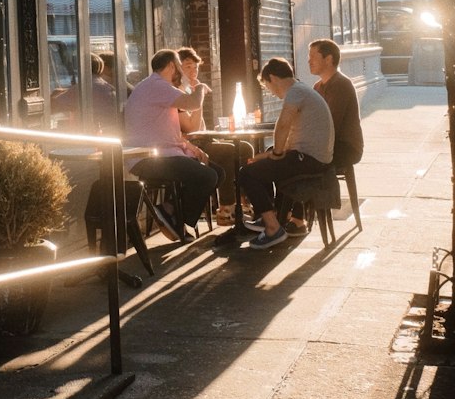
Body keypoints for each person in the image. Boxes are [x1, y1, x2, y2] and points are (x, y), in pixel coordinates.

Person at [236, 57, 334, 249]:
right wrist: (270, 154)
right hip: (313, 157)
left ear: (272, 78)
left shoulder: (295, 92)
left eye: (267, 86)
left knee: (246, 173)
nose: (270, 92)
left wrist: (278, 153)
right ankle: (270, 218)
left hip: (310, 160)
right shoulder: (302, 89)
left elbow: (283, 125)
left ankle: (273, 227)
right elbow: (293, 135)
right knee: (259, 163)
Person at [123, 49, 220, 240]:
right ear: (170, 66)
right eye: (180, 69)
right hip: (148, 157)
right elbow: (192, 103)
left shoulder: (156, 87)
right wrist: (199, 88)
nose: (183, 75)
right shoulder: (157, 85)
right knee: (208, 176)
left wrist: (190, 147)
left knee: (217, 173)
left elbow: (174, 131)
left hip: (162, 153)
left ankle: (169, 211)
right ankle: (175, 218)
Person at [177, 45, 249, 224]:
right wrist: (197, 99)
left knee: (245, 148)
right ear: (177, 68)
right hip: (186, 145)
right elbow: (191, 128)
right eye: (188, 67)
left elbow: (200, 126)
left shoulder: (191, 90)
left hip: (201, 140)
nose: (193, 71)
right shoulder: (177, 93)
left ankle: (243, 203)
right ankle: (226, 208)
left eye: (195, 67)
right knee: (227, 151)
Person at [300, 37, 364, 231]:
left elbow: (329, 125)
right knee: (284, 155)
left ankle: (296, 218)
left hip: (345, 147)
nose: (309, 61)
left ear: (328, 59)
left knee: (298, 160)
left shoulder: (342, 85)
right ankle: (283, 216)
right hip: (325, 144)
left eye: (313, 56)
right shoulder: (317, 88)